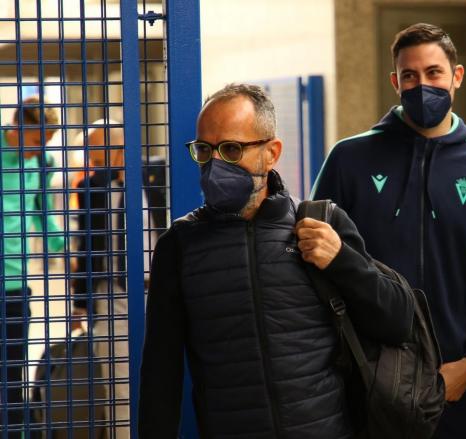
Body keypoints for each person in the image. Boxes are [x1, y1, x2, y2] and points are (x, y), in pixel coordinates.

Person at [138, 83, 414, 438]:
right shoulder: (180, 246)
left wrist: (342, 261)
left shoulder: (320, 223)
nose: (215, 163)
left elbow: (397, 323)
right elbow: (162, 371)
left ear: (271, 153)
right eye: (205, 150)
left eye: (232, 149)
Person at [311, 23, 466, 438]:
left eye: (433, 73)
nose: (421, 84)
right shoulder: (348, 159)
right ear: (395, 82)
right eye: (409, 76)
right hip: (365, 379)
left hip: (454, 382)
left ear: (457, 77)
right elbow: (315, 269)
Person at [0, 96, 64, 437]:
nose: (42, 148)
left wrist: (65, 249)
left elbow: (43, 212)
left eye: (48, 141)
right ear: (18, 126)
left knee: (12, 371)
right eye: (39, 139)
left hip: (15, 283)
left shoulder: (45, 162)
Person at [69, 119, 138, 437]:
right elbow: (86, 246)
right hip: (112, 296)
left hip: (157, 292)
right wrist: (80, 303)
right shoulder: (92, 189)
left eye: (97, 157)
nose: (92, 165)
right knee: (119, 389)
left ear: (120, 152)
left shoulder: (155, 182)